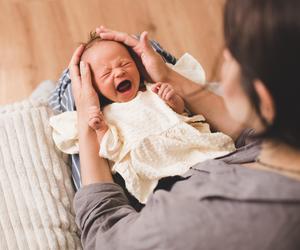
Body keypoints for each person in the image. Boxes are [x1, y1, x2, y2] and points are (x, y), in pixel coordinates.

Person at [71, 0, 300, 249]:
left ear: (263, 99)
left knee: (68, 82)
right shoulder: (279, 153)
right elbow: (255, 136)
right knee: (147, 49)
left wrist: (85, 119)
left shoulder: (187, 220)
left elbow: (103, 233)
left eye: (232, 55)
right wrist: (168, 76)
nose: (224, 56)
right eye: (106, 74)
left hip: (160, 178)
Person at [51, 34, 235, 203]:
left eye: (124, 64)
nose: (119, 73)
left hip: (190, 150)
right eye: (106, 74)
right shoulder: (107, 114)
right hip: (154, 171)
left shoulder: (153, 90)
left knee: (218, 167)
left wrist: (172, 100)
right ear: (94, 88)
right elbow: (112, 149)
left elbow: (182, 114)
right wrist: (100, 129)